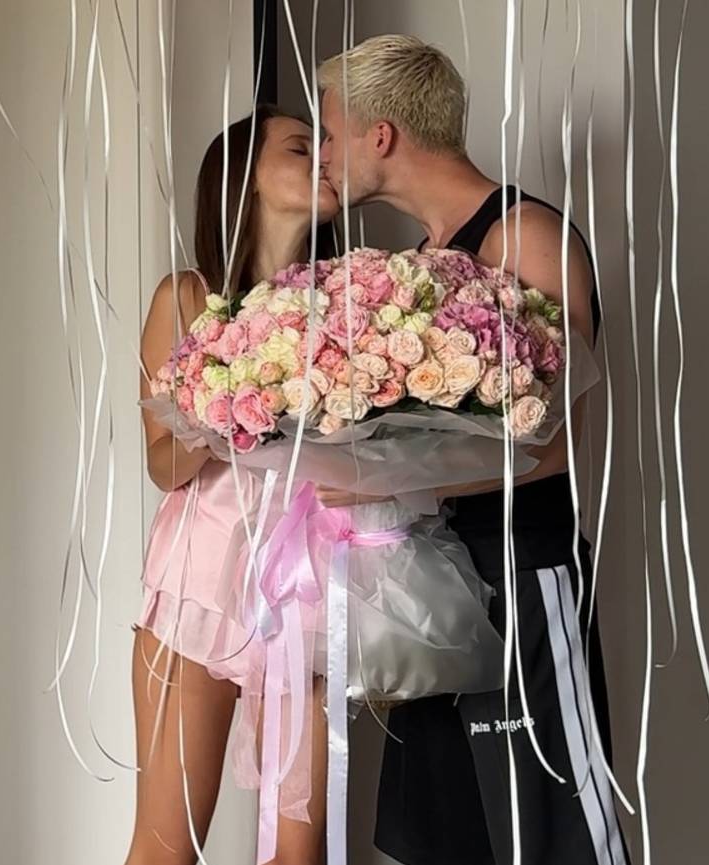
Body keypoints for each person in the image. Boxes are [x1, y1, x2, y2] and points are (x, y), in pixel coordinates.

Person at [315, 35, 628, 865]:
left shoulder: (525, 237)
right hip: (429, 588)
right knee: (439, 843)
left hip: (520, 571)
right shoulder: (412, 265)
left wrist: (376, 477)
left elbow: (551, 447)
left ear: (381, 134)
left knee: (558, 836)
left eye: (330, 132)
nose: (324, 155)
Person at [127, 105, 339, 865]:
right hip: (197, 584)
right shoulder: (184, 298)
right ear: (244, 176)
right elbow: (162, 467)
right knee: (166, 848)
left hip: (309, 588)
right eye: (301, 147)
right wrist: (221, 413)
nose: (324, 159)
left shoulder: (350, 301)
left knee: (298, 856)